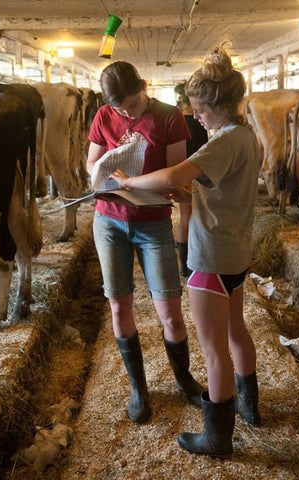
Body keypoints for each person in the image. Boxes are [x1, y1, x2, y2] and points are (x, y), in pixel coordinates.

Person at [111, 47, 261, 457]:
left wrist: (131, 181)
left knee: (213, 351)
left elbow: (177, 171)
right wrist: (182, 195)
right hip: (236, 251)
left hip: (209, 256)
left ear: (216, 105)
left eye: (199, 110)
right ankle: (250, 406)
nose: (196, 117)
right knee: (236, 331)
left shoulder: (221, 142)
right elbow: (218, 189)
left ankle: (217, 438)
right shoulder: (246, 136)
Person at [87, 61, 203, 424]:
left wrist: (135, 182)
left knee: (169, 309)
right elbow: (90, 164)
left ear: (144, 86)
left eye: (132, 105)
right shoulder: (104, 116)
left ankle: (184, 378)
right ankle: (139, 388)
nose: (126, 112)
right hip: (109, 221)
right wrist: (105, 170)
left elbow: (175, 180)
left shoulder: (169, 117)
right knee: (119, 306)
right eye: (119, 107)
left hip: (153, 223)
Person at [174, 83, 208, 277]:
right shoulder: (199, 121)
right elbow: (204, 148)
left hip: (180, 172)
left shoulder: (175, 119)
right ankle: (194, 262)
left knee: (184, 218)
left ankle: (184, 267)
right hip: (197, 173)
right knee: (196, 218)